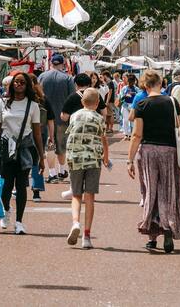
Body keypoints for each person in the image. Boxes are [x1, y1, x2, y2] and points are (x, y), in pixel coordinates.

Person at [126, 69, 180, 253]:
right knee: (169, 190)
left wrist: (129, 160)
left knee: (150, 191)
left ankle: (152, 236)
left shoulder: (142, 104)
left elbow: (137, 134)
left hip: (148, 151)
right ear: (161, 84)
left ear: (145, 86)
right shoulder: (172, 102)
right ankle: (169, 226)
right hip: (169, 151)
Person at [0, 72, 44, 235]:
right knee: (6, 187)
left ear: (27, 85)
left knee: (21, 186)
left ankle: (19, 222)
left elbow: (37, 133)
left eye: (22, 82)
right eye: (16, 82)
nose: (18, 85)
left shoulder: (33, 105)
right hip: (6, 148)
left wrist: (42, 157)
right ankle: (6, 210)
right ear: (11, 84)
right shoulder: (2, 103)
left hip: (25, 148)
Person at [65, 89, 109, 249]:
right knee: (90, 196)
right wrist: (106, 157)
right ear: (97, 103)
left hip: (75, 158)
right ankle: (87, 235)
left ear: (82, 102)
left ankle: (75, 222)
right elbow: (103, 139)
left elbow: (70, 134)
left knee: (76, 195)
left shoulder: (74, 116)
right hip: (93, 159)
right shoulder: (99, 118)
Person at [38, 55, 75, 183]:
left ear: (51, 63)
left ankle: (52, 173)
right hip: (62, 117)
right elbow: (72, 98)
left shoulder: (42, 77)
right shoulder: (68, 78)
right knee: (61, 146)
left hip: (44, 118)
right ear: (63, 63)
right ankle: (61, 170)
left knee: (49, 145)